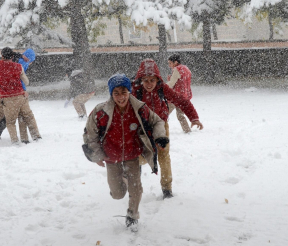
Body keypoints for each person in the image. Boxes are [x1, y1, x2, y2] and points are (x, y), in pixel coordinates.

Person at [82, 73, 169, 228]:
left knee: (136, 189)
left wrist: (160, 136)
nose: (121, 97)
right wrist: (97, 156)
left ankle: (132, 215)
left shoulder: (140, 108)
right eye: (116, 93)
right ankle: (123, 180)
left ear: (129, 91)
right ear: (111, 94)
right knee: (117, 194)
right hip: (111, 156)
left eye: (124, 92)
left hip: (132, 154)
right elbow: (90, 134)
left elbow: (157, 121)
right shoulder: (100, 111)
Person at [132, 58, 203, 199]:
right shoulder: (135, 91)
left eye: (152, 80)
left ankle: (167, 189)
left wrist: (193, 117)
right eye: (145, 80)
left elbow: (181, 100)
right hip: (142, 128)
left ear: (157, 79)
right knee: (139, 157)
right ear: (140, 80)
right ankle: (134, 182)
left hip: (161, 126)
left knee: (164, 157)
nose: (149, 84)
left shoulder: (162, 88)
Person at [0, 47, 34, 144]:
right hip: (0, 92)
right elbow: (24, 81)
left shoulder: (0, 63)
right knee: (2, 115)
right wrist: (22, 90)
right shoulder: (17, 65)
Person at [13, 48, 41, 142]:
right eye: (30, 59)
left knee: (21, 115)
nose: (30, 62)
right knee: (27, 114)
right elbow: (21, 79)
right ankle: (35, 136)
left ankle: (24, 138)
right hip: (20, 92)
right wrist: (24, 90)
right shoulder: (22, 63)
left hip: (13, 92)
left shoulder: (17, 59)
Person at [166, 54, 194, 133]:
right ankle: (187, 130)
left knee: (164, 113)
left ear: (176, 62)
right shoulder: (186, 69)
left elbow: (172, 83)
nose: (169, 65)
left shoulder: (177, 69)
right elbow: (183, 82)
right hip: (184, 96)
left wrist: (162, 86)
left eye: (170, 63)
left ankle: (159, 129)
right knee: (180, 115)